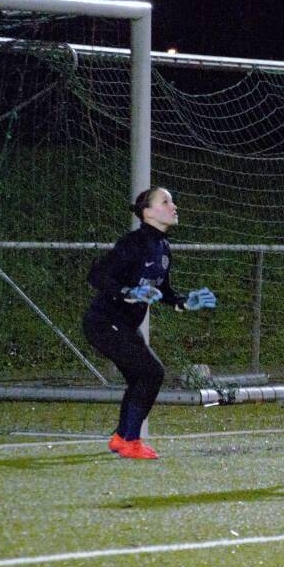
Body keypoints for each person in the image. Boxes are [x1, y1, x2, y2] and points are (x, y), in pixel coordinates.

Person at [83, 187, 217, 460]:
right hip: (103, 322)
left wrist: (184, 301)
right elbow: (97, 275)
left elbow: (164, 292)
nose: (173, 206)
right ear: (147, 212)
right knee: (151, 373)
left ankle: (122, 438)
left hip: (124, 326)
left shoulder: (163, 248)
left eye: (172, 201)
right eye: (165, 201)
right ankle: (130, 441)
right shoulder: (133, 243)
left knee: (141, 377)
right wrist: (128, 292)